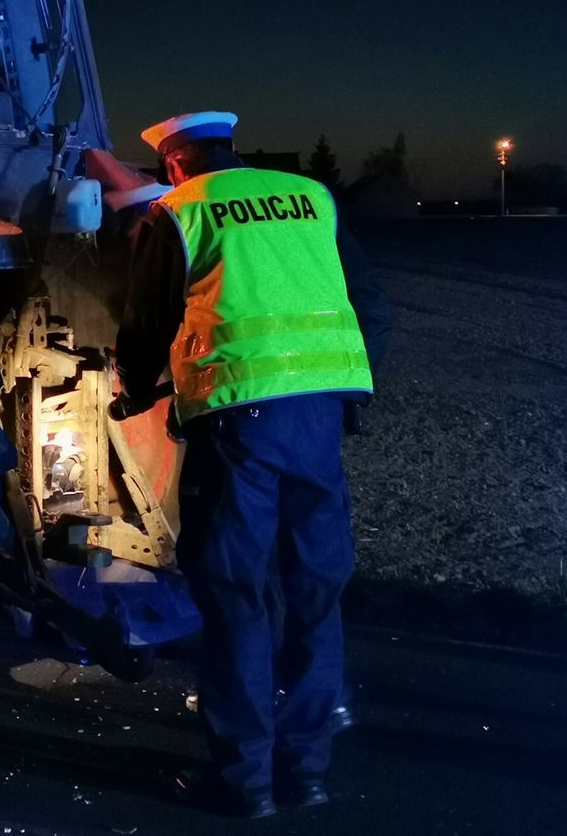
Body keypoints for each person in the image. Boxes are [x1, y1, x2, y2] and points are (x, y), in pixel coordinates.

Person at [109, 112, 391, 819]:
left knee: (236, 592)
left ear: (174, 163)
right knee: (313, 593)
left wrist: (134, 392)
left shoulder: (179, 213)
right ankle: (308, 770)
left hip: (240, 426)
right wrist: (345, 396)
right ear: (231, 148)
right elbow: (374, 308)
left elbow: (146, 326)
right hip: (320, 420)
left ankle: (246, 781)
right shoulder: (310, 197)